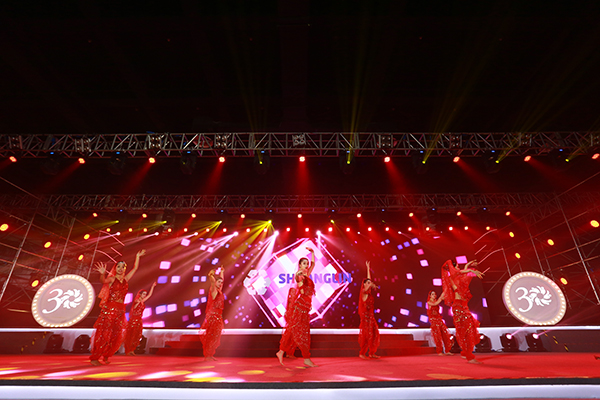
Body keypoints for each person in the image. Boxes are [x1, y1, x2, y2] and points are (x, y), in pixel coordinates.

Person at [90, 249, 146, 366]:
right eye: (118, 267)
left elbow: (135, 268)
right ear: (115, 268)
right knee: (104, 333)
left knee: (115, 334)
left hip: (120, 309)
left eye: (123, 267)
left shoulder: (125, 280)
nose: (121, 269)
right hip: (110, 308)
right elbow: (103, 281)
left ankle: (106, 355)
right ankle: (95, 357)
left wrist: (137, 256)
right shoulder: (112, 279)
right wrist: (102, 273)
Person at [276, 247, 317, 367]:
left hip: (305, 308)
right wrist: (299, 276)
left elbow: (313, 264)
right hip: (300, 308)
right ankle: (306, 358)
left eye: (307, 264)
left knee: (293, 330)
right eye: (304, 264)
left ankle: (281, 351)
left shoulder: (307, 275)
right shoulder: (299, 275)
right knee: (301, 333)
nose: (307, 266)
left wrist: (312, 252)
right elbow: (299, 285)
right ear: (299, 265)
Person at [441, 259, 484, 364]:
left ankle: (465, 353)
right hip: (458, 307)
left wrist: (468, 266)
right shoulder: (451, 278)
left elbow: (462, 274)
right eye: (456, 266)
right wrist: (471, 270)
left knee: (469, 329)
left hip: (464, 306)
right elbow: (460, 273)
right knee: (465, 331)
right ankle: (469, 356)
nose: (458, 268)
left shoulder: (458, 277)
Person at [123, 282, 157, 356]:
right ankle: (128, 350)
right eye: (143, 294)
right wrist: (138, 302)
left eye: (145, 294)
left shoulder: (142, 301)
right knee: (131, 335)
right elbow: (135, 307)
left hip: (139, 320)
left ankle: (132, 350)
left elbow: (150, 295)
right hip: (134, 320)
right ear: (140, 294)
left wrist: (152, 287)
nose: (145, 295)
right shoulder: (137, 301)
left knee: (136, 335)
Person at [200, 266, 225, 362]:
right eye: (219, 282)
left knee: (216, 337)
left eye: (221, 282)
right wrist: (211, 275)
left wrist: (222, 272)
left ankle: (210, 354)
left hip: (218, 317)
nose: (220, 284)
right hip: (213, 317)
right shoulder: (213, 290)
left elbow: (221, 281)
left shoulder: (219, 291)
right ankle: (208, 355)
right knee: (210, 336)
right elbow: (213, 282)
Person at [358, 261, 380, 359]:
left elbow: (368, 280)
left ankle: (372, 352)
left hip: (371, 317)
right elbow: (367, 285)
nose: (370, 284)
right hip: (365, 318)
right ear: (364, 284)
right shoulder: (363, 292)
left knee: (374, 334)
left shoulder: (369, 293)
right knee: (366, 335)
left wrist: (368, 268)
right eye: (368, 283)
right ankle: (362, 353)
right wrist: (370, 284)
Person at [426, 291, 453, 356]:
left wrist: (444, 294)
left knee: (445, 334)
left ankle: (447, 350)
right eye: (432, 294)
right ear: (430, 296)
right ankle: (439, 351)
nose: (434, 295)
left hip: (439, 320)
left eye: (435, 294)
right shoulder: (429, 302)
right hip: (434, 321)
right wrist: (441, 296)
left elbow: (438, 301)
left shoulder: (436, 301)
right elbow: (435, 304)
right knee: (437, 336)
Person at [278, 285, 299, 359]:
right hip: (291, 317)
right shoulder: (291, 300)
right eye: (292, 292)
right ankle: (287, 352)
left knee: (293, 336)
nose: (294, 293)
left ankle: (289, 353)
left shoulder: (294, 300)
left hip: (293, 317)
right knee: (290, 336)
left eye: (294, 292)